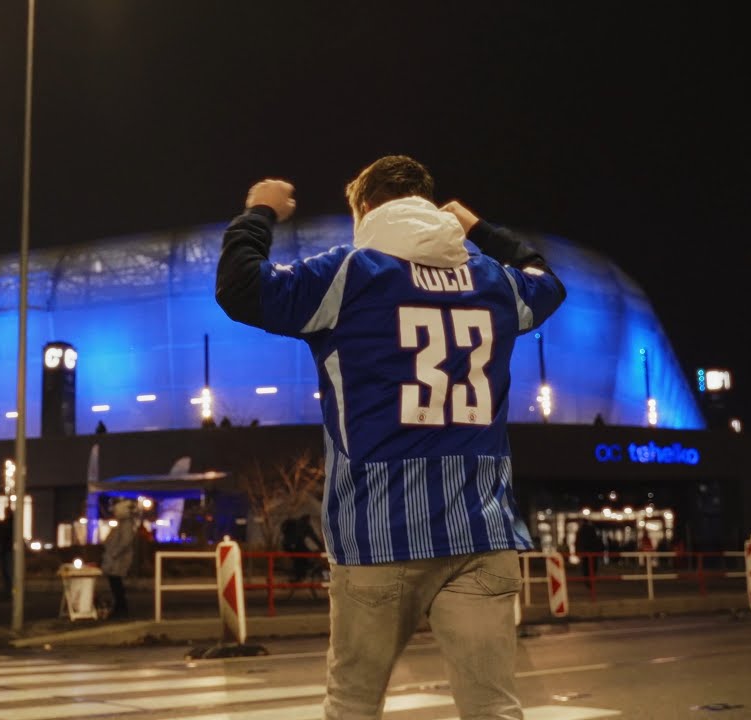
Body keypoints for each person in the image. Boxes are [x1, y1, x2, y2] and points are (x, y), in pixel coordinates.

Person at [215, 155, 566, 720]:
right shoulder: (494, 284)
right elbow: (545, 279)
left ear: (366, 209)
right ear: (427, 205)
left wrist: (259, 211)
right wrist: (478, 229)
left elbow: (239, 288)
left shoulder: (348, 276)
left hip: (377, 536)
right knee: (494, 708)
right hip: (481, 533)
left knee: (353, 705)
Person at [101, 500, 136, 619]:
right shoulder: (123, 523)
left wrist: (115, 553)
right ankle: (119, 607)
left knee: (116, 584)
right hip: (116, 558)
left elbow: (125, 542)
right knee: (115, 583)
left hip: (118, 559)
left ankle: (121, 608)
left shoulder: (126, 524)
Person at [574, 518, 602, 589]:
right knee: (593, 567)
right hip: (593, 552)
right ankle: (591, 579)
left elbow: (578, 542)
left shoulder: (580, 531)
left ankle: (587, 580)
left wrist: (578, 552)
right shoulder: (592, 529)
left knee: (586, 568)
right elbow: (596, 541)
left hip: (585, 553)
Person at [0, 506, 15, 599]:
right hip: (7, 549)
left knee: (7, 572)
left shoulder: (8, 523)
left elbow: (4, 535)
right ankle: (8, 592)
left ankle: (8, 592)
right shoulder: (11, 523)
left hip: (6, 550)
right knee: (7, 572)